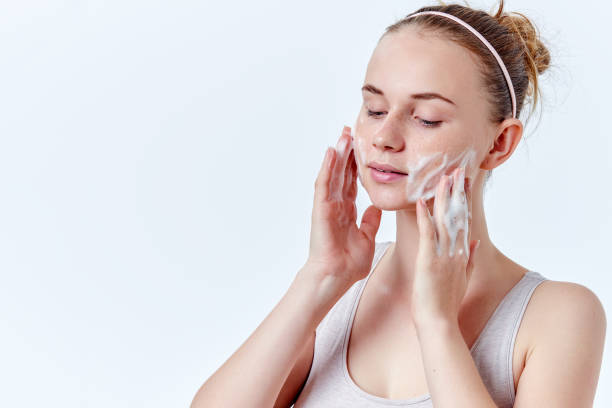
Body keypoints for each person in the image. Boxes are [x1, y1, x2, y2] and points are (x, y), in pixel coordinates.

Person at [191, 1, 606, 407]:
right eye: (374, 109)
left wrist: (437, 325)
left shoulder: (557, 317)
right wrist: (320, 276)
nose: (385, 137)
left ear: (499, 143)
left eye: (425, 118)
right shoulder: (339, 294)